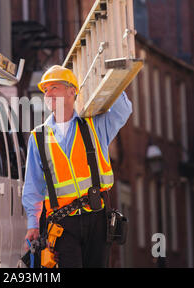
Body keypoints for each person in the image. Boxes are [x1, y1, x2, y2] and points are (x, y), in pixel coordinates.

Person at [22, 65, 132, 268]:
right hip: (62, 225)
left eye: (54, 87)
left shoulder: (94, 126)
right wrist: (33, 224)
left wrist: (106, 78)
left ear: (72, 91)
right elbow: (33, 187)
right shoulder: (38, 137)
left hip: (97, 217)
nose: (48, 93)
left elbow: (123, 110)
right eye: (45, 90)